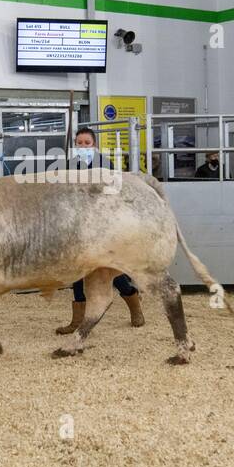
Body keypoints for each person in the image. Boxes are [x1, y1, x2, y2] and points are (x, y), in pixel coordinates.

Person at [56, 127, 145, 334]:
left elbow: (112, 193)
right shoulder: (70, 166)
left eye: (87, 143)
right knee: (78, 270)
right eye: (79, 143)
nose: (83, 146)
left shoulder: (105, 164)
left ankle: (134, 305)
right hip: (78, 226)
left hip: (101, 226)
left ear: (94, 145)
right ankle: (77, 320)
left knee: (107, 269)